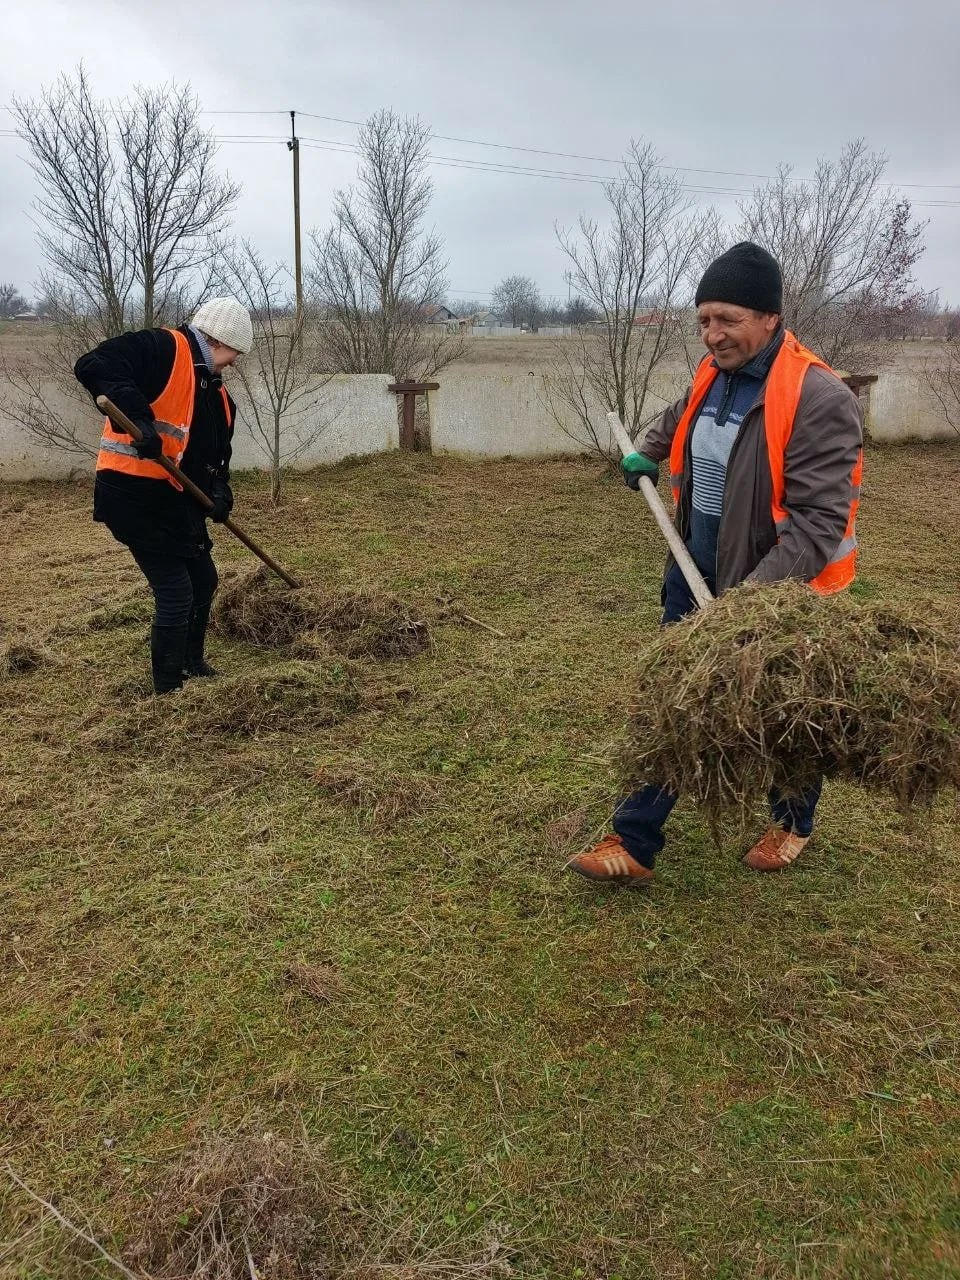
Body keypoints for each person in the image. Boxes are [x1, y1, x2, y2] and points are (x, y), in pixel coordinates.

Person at [567, 242, 864, 884]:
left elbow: (818, 524)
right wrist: (648, 452)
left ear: (768, 318)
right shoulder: (716, 374)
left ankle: (793, 822)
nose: (713, 333)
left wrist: (744, 605)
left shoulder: (819, 397)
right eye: (704, 319)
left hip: (775, 597)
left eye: (726, 319)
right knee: (672, 699)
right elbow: (679, 418)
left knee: (781, 715)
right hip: (694, 573)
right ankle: (636, 839)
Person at [75, 298, 253, 694]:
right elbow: (94, 365)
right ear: (216, 339)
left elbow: (215, 460)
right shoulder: (163, 347)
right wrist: (139, 419)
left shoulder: (219, 398)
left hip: (176, 501)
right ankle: (169, 690)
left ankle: (192, 662)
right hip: (134, 495)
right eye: (233, 353)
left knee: (204, 580)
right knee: (176, 591)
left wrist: (221, 494)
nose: (234, 363)